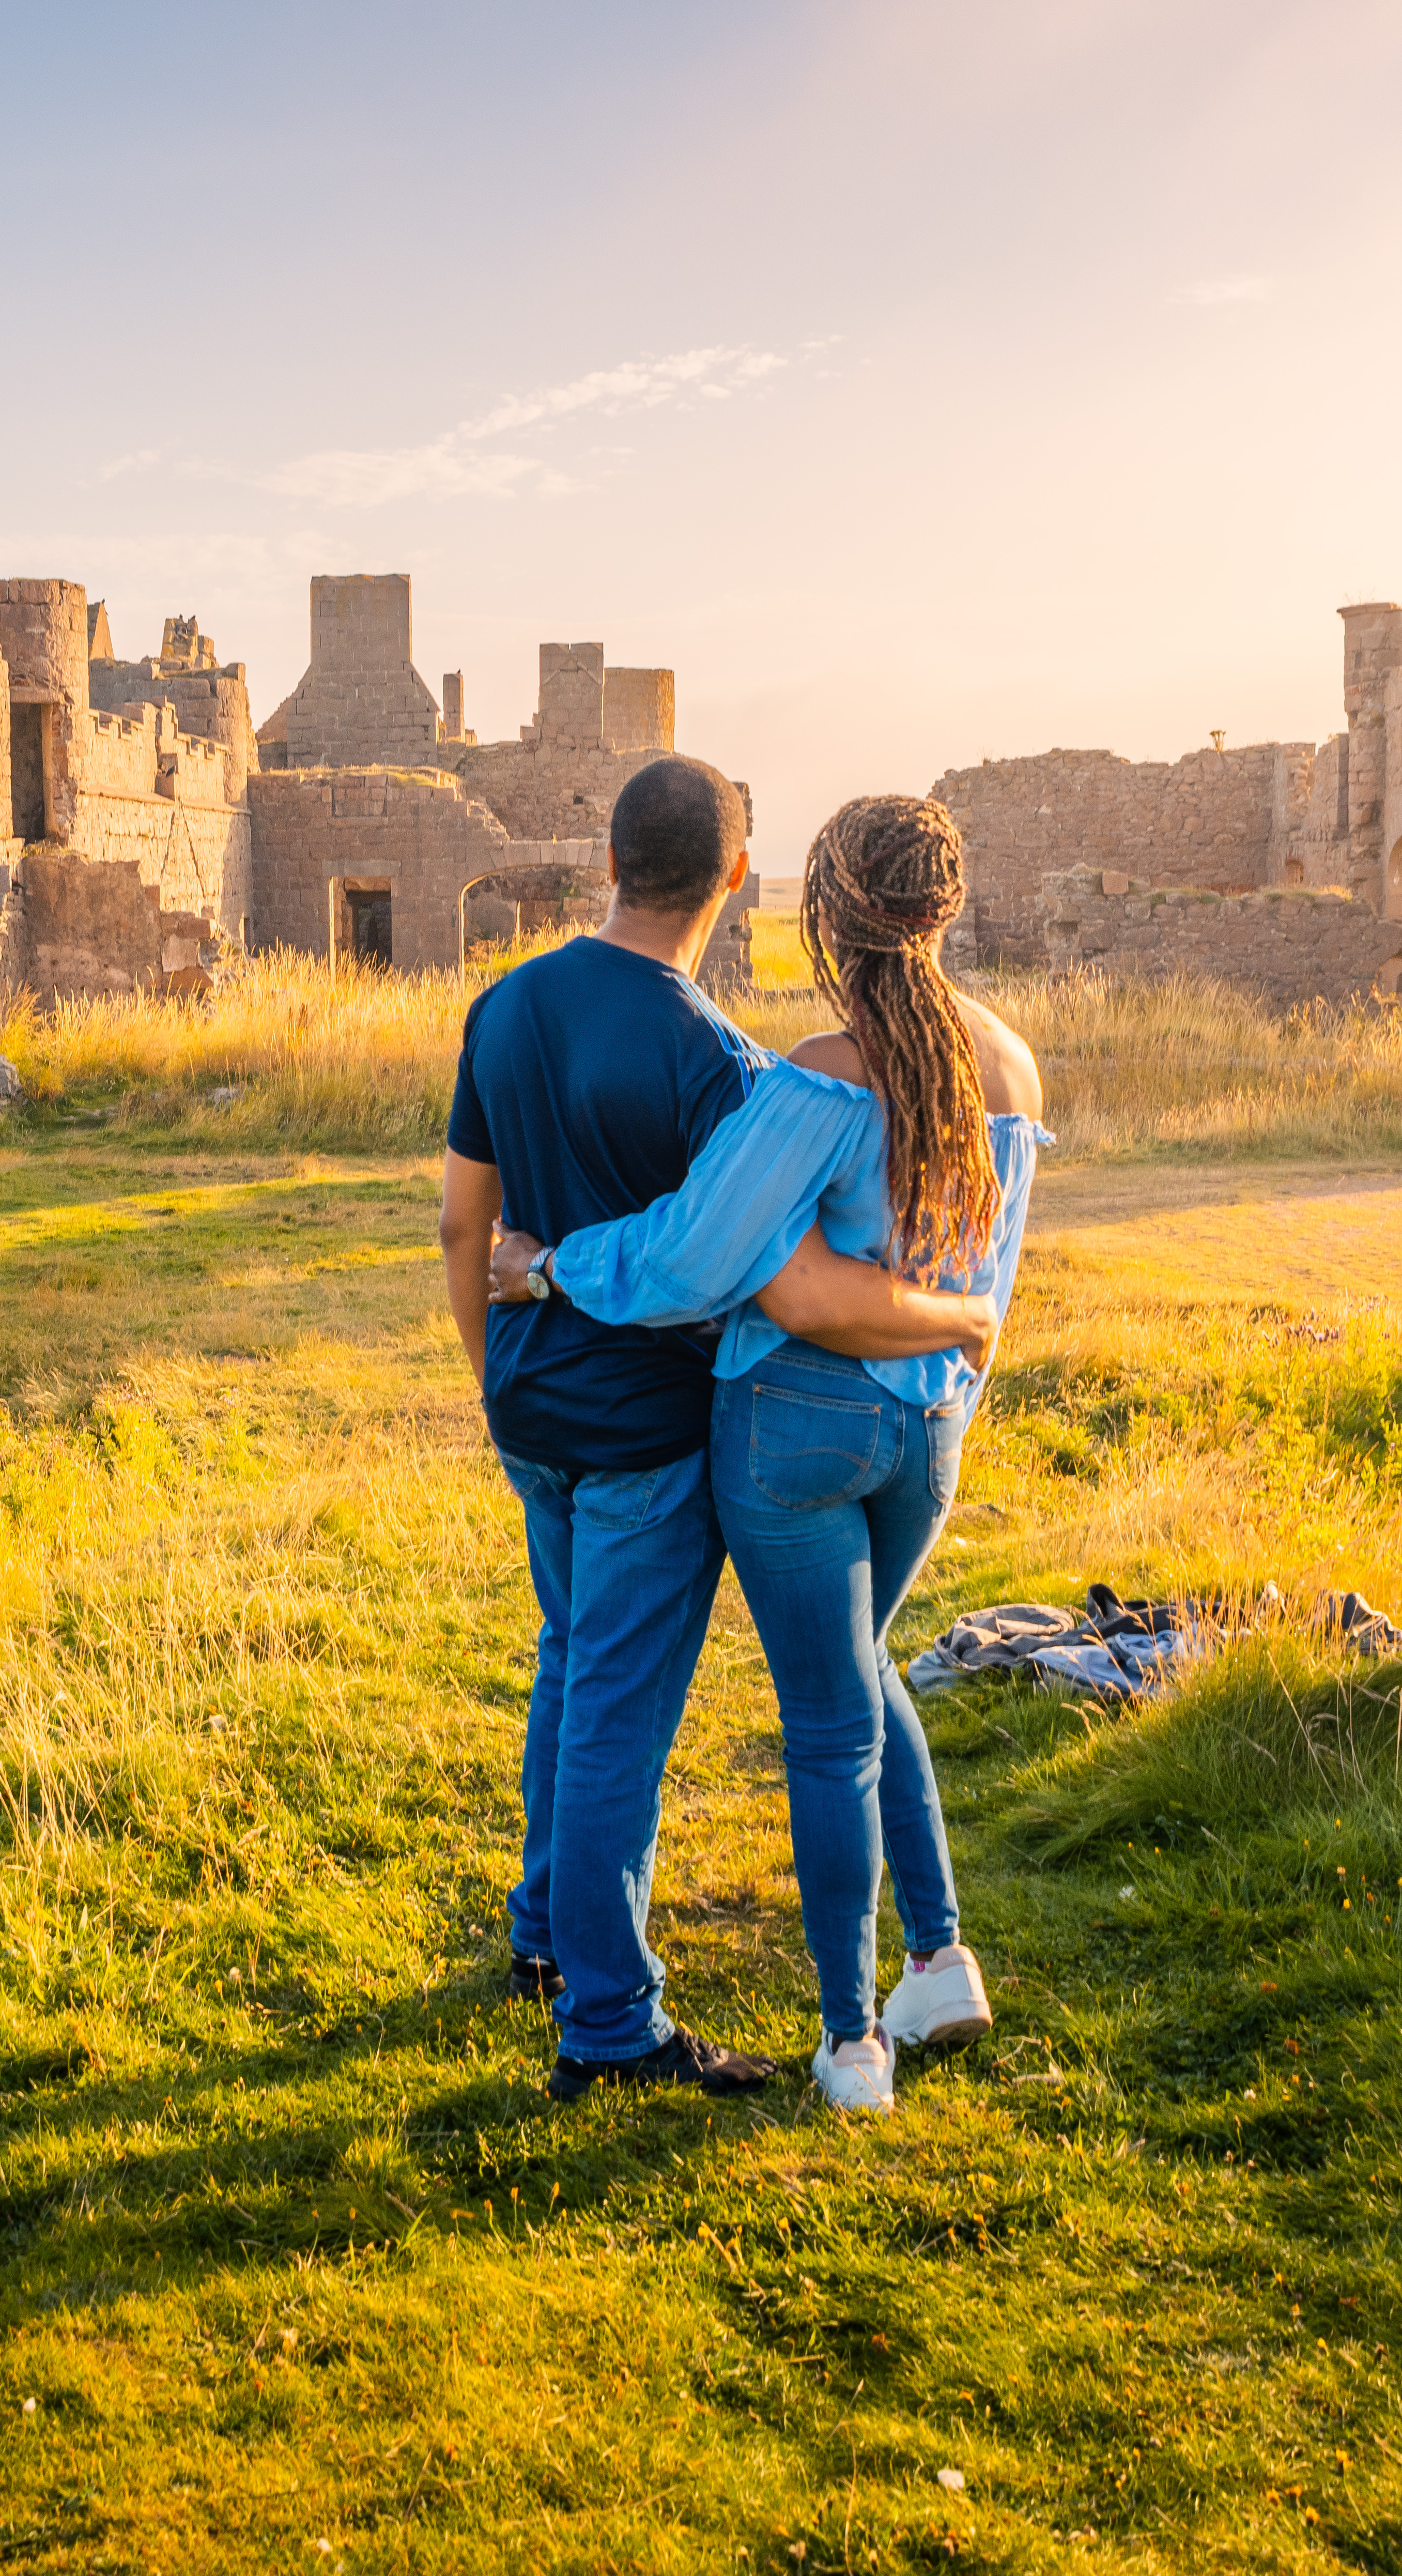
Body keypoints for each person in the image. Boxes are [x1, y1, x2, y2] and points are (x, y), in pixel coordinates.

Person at [442, 759, 998, 2103]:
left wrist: (492, 1370)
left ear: (609, 858)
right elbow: (766, 1272)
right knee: (619, 1721)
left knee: (571, 1666)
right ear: (738, 878)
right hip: (644, 1423)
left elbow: (466, 1222)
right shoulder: (718, 1059)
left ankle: (542, 1935)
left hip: (531, 1399)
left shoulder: (504, 1006)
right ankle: (611, 2025)